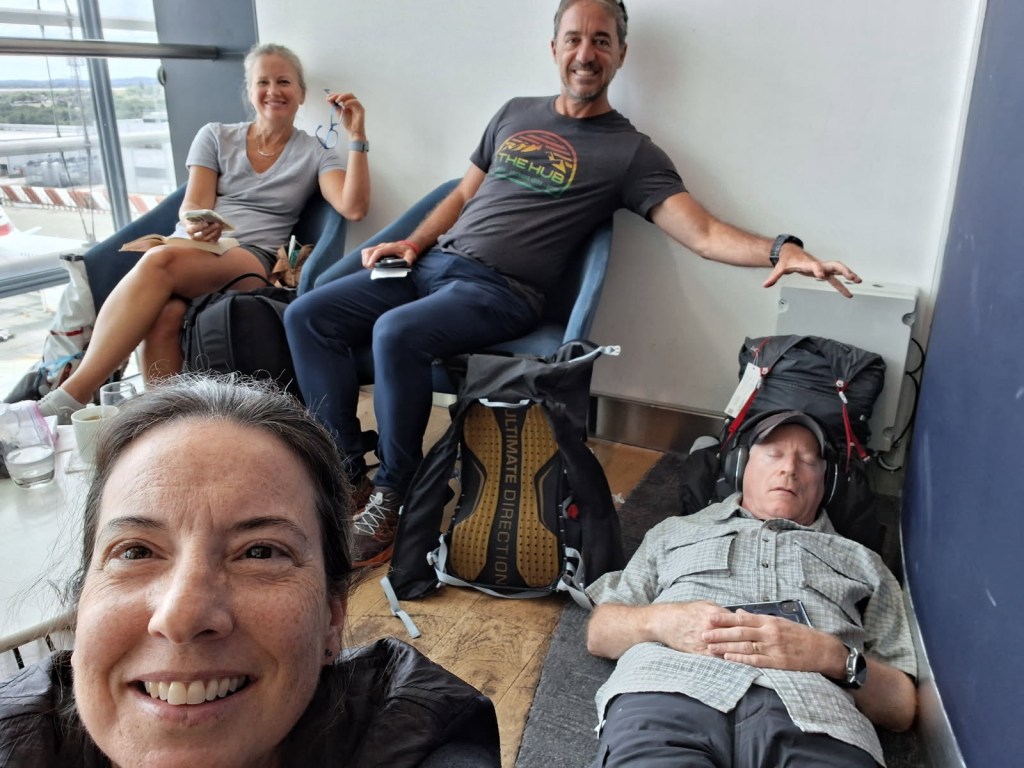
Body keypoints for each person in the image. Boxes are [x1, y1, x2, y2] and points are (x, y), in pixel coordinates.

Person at [283, 0, 862, 567]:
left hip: (498, 291)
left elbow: (704, 232)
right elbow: (461, 195)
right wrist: (413, 243)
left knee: (395, 332)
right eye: (575, 39)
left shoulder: (629, 152)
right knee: (306, 316)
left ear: (621, 54)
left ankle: (396, 494)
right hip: (432, 265)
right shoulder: (513, 112)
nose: (586, 53)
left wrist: (780, 250)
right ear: (554, 48)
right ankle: (345, 473)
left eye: (601, 41)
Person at [0, 375, 500, 768]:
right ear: (82, 602)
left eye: (260, 552)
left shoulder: (421, 737)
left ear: (332, 615)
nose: (182, 616)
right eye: (135, 552)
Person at [33, 42, 371, 423]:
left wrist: (357, 136)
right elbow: (191, 205)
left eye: (284, 82)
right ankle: (166, 424)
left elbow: (354, 207)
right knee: (163, 316)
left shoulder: (315, 152)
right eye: (263, 82)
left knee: (159, 261)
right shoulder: (215, 136)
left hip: (251, 258)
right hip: (196, 247)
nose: (273, 91)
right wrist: (198, 224)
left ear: (302, 94)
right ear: (249, 91)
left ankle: (71, 396)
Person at [585, 410, 918, 767]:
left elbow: (901, 707)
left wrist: (833, 657)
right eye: (773, 454)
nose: (789, 469)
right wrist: (664, 622)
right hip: (669, 690)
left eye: (808, 461)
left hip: (820, 717)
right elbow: (600, 633)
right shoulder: (673, 531)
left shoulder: (865, 562)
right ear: (740, 466)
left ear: (828, 482)